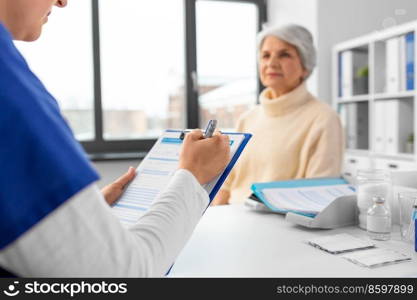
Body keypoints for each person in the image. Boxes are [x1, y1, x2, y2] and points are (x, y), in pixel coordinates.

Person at [0, 0, 230, 277]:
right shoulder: (9, 89)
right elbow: (123, 276)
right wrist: (192, 176)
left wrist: (81, 214)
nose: (63, 2)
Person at [212, 24, 343, 205]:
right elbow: (226, 186)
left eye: (284, 55)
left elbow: (319, 198)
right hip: (233, 220)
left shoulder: (324, 118)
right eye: (265, 55)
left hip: (281, 228)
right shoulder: (247, 119)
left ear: (305, 66)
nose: (271, 63)